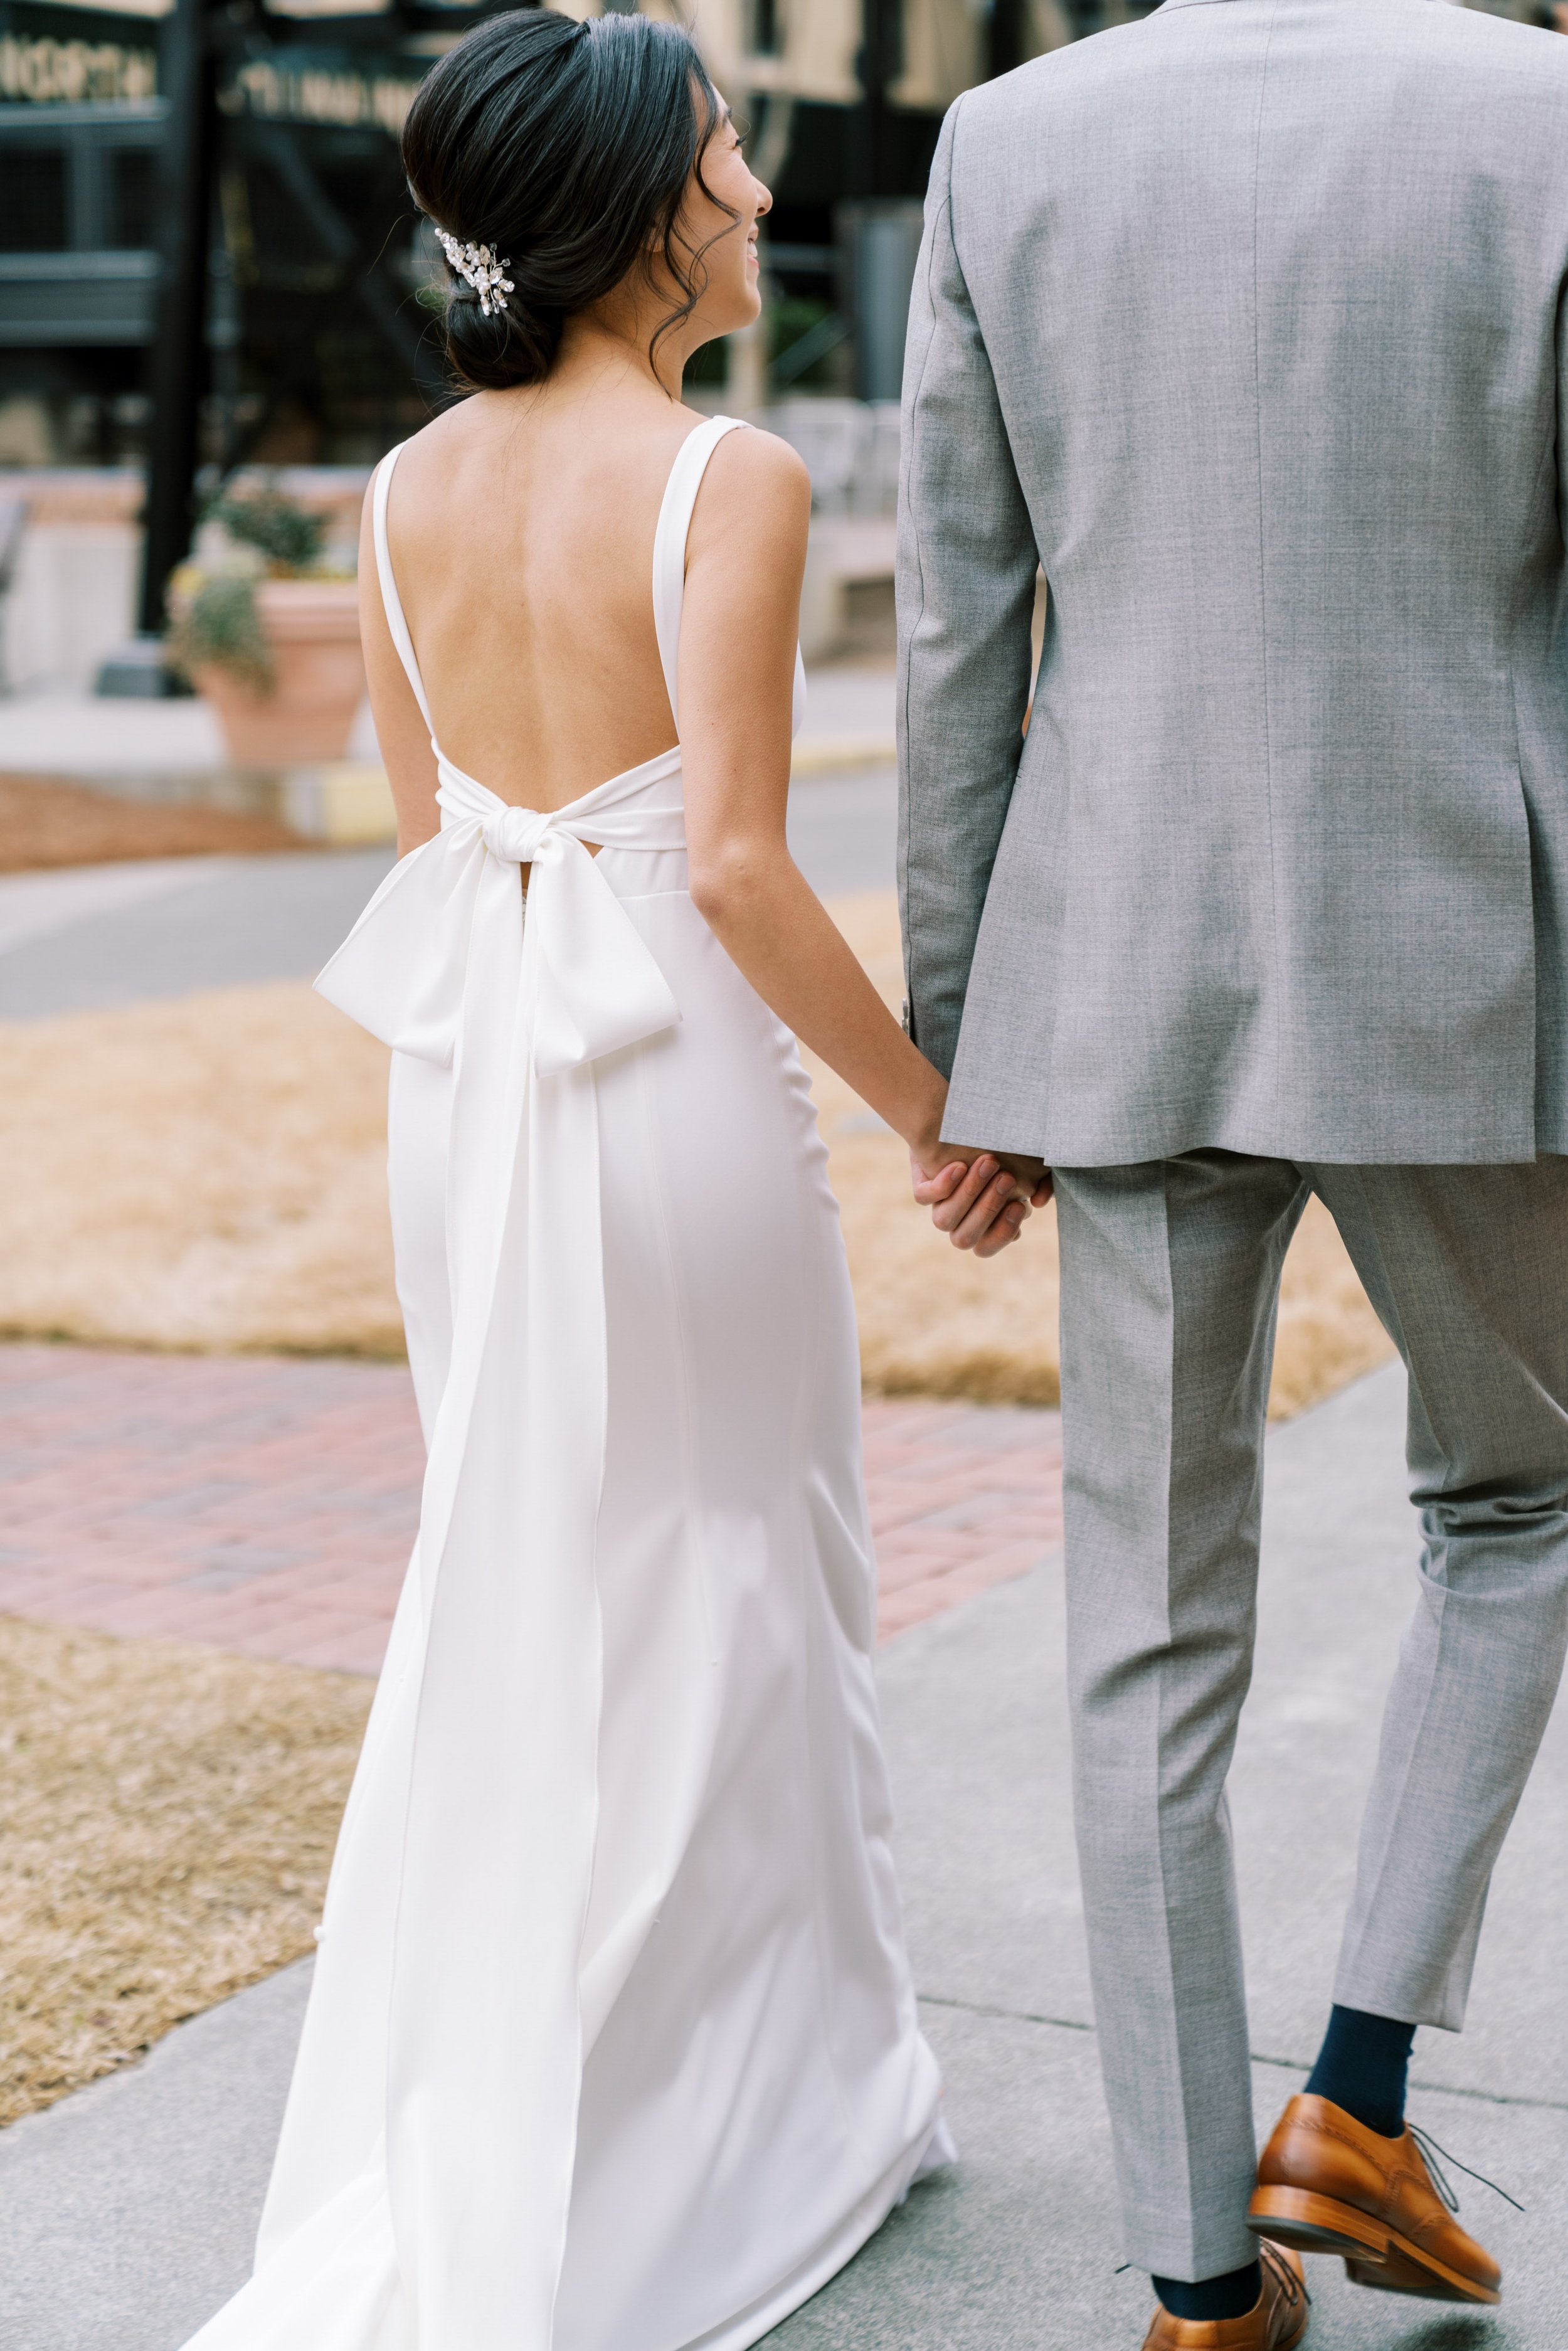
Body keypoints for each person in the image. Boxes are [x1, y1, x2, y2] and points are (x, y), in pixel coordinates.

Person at [177, 13, 1040, 2348]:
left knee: (534, 1575)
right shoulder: (724, 474)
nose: (759, 188)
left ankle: (599, 2101)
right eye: (734, 148)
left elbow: (423, 831)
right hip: (662, 1076)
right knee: (736, 1574)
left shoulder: (392, 493)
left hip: (476, 1087)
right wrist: (934, 1109)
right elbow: (744, 872)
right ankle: (723, 2130)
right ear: (644, 205)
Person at [899, 1, 1568, 2345]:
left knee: (1140, 1631)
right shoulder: (1546, 115)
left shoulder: (1008, 135)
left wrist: (954, 1028)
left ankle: (1199, 2280)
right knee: (1530, 1493)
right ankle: (1357, 2086)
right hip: (1460, 959)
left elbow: (959, 616)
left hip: (1116, 965)